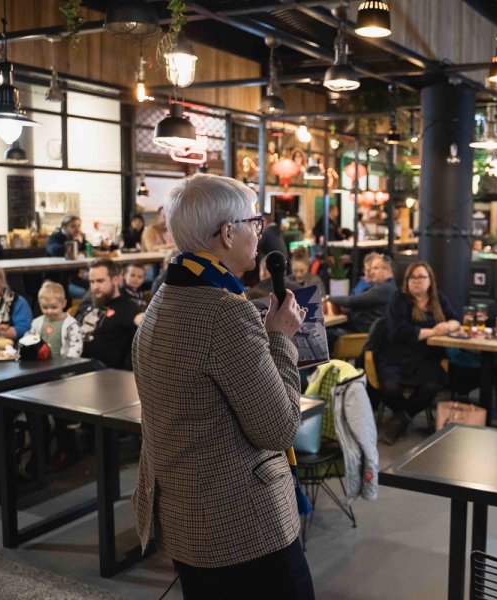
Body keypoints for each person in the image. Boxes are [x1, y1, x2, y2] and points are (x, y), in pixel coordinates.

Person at [131, 174, 313, 599]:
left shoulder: (166, 295)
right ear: (228, 233)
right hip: (241, 524)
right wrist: (281, 338)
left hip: (185, 513)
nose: (261, 231)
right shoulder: (225, 314)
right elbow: (279, 429)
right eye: (256, 221)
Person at [377, 261, 460, 444]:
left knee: (430, 387)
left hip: (426, 357)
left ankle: (400, 418)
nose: (417, 281)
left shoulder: (437, 299)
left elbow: (456, 320)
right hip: (397, 355)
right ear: (406, 281)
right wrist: (433, 332)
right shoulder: (399, 299)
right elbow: (399, 331)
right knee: (390, 387)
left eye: (422, 277)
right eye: (412, 278)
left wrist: (447, 326)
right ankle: (403, 417)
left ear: (430, 280)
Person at [75, 258, 142, 369]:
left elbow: (145, 322)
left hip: (104, 371)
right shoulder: (86, 303)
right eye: (92, 282)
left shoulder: (128, 306)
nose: (95, 287)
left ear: (115, 280)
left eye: (100, 281)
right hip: (75, 363)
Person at [329, 255, 397, 334]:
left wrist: (329, 298)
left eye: (375, 268)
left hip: (362, 335)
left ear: (387, 271)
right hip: (360, 329)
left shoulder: (385, 289)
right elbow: (359, 304)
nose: (371, 272)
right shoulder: (385, 287)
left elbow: (352, 301)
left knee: (326, 335)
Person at [28, 281, 82, 357]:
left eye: (54, 307)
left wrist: (69, 363)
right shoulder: (37, 323)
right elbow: (30, 340)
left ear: (64, 303)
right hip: (41, 364)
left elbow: (76, 346)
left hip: (64, 365)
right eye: (45, 307)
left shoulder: (71, 325)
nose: (49, 311)